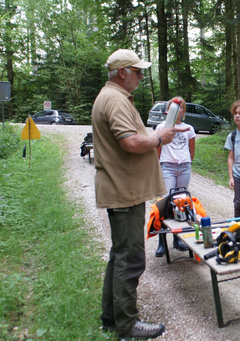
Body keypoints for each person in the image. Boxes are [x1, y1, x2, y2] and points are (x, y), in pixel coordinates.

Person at [92, 49, 188, 340]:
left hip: (124, 188)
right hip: (124, 191)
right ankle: (127, 325)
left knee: (119, 253)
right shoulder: (114, 100)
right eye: (137, 71)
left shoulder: (111, 97)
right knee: (130, 257)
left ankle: (111, 317)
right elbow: (131, 142)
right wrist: (160, 138)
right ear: (122, 72)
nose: (141, 76)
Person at [154, 96, 196, 257]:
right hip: (168, 167)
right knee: (165, 203)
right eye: (173, 106)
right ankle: (161, 241)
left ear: (183, 111)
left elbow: (191, 150)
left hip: (184, 167)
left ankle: (178, 238)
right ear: (168, 109)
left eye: (180, 107)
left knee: (181, 202)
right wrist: (160, 165)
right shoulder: (161, 127)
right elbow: (157, 149)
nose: (177, 109)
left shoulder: (189, 128)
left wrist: (186, 162)